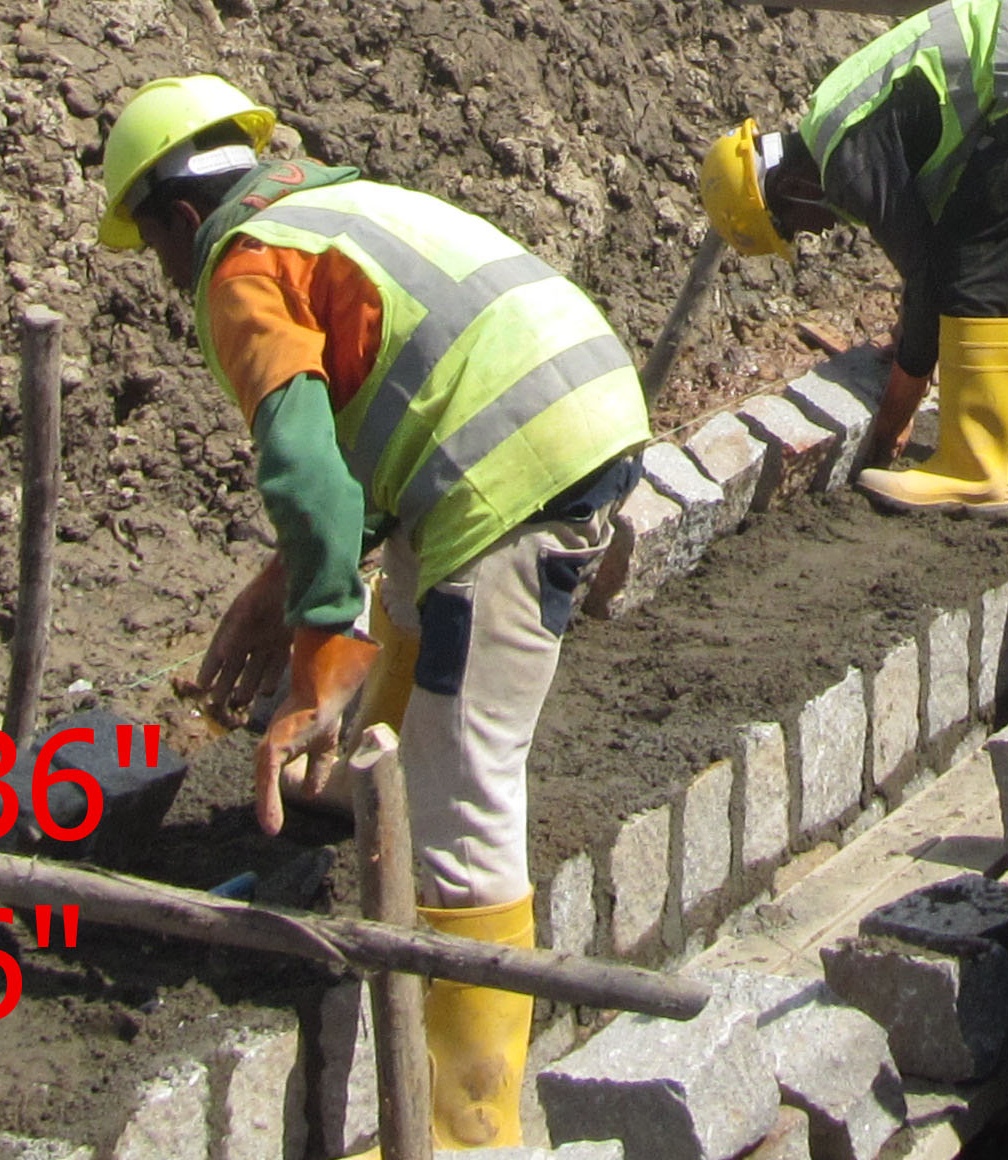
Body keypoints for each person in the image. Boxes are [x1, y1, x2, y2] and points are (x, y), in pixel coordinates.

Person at [98, 77, 645, 1150]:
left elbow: (306, 472)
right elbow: (381, 428)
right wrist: (286, 590)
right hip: (585, 405)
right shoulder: (331, 211)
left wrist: (313, 646)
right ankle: (353, 782)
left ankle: (464, 1129)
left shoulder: (239, 265)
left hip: (511, 473)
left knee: (462, 799)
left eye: (155, 249)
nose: (167, 278)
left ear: (176, 216)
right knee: (405, 602)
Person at [701, 0, 1008, 510]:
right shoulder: (837, 128)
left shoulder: (847, 163)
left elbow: (929, 276)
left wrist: (892, 416)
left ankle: (973, 471)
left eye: (791, 228)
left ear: (790, 190)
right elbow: (923, 252)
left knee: (974, 259)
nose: (813, 233)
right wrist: (912, 327)